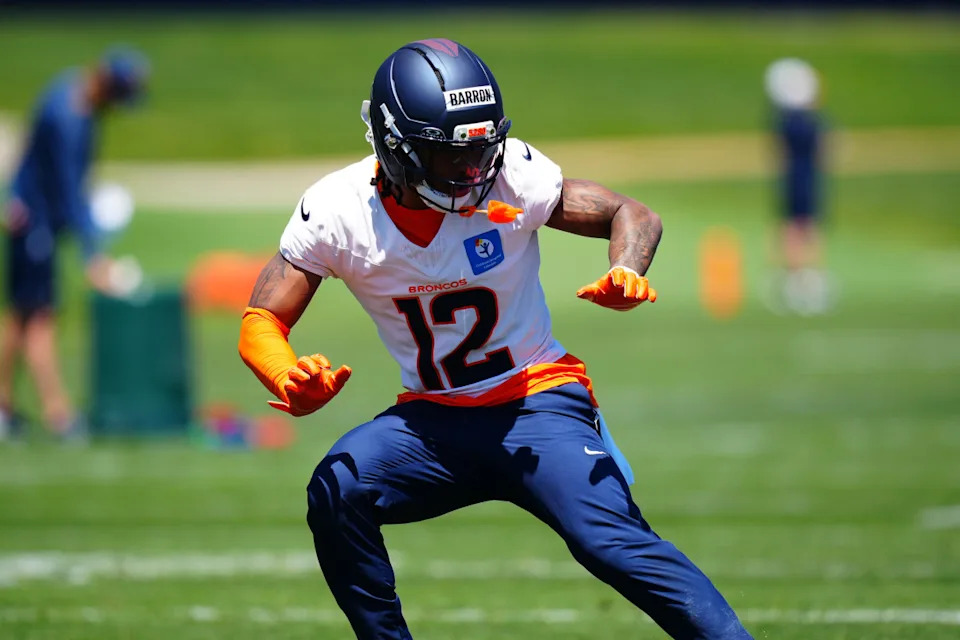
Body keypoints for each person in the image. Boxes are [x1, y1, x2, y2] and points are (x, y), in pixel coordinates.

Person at [239, 39, 752, 639]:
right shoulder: (339, 210)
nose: (472, 172)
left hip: (537, 400)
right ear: (394, 146)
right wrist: (284, 375)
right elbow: (262, 318)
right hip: (433, 420)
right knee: (337, 487)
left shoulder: (511, 177)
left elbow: (632, 215)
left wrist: (628, 268)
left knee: (610, 544)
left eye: (481, 151)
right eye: (448, 156)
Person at [0, 47, 150, 440]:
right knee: (39, 317)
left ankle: (3, 407)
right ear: (105, 82)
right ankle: (58, 413)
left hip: (31, 216)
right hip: (33, 221)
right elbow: (68, 189)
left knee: (19, 316)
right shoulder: (70, 115)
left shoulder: (72, 94)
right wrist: (93, 256)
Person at [764, 57, 831, 315]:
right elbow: (825, 150)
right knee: (802, 227)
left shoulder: (787, 120)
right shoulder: (805, 121)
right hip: (804, 179)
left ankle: (799, 277)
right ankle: (803, 279)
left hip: (795, 178)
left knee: (796, 226)